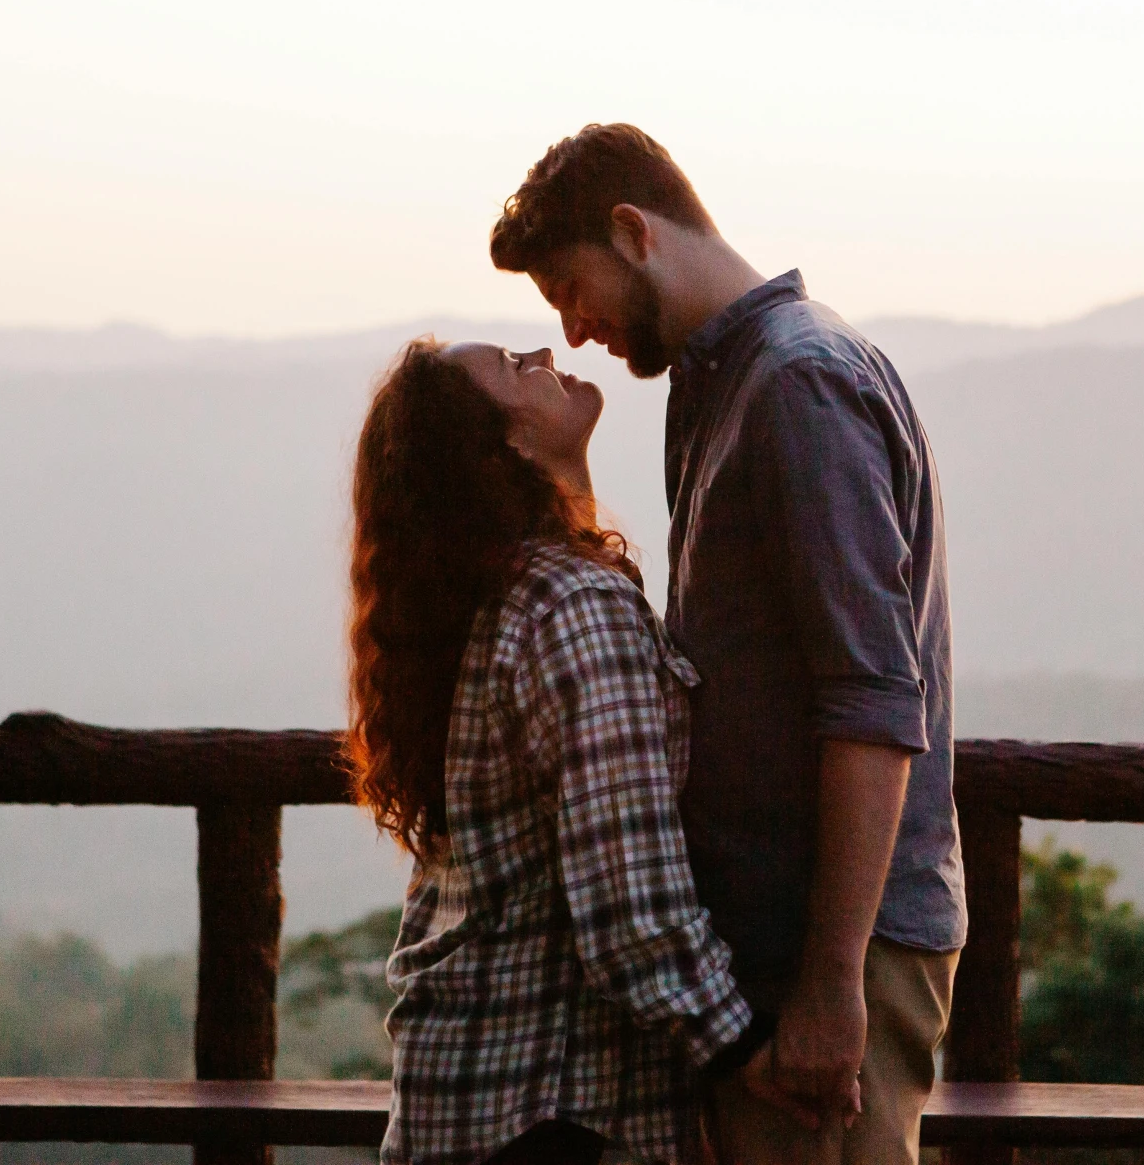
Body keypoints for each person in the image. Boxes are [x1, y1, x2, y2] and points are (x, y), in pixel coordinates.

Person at [490, 126, 965, 1165]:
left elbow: (875, 699)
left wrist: (831, 982)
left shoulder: (797, 385)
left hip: (825, 940)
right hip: (763, 943)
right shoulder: (717, 385)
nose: (572, 331)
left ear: (633, 232)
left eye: (571, 287)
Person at [348, 337, 769, 1165]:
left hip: (476, 1091)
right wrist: (750, 1055)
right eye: (512, 365)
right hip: (553, 1106)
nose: (542, 349)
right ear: (502, 447)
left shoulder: (501, 596)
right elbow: (629, 905)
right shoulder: (573, 606)